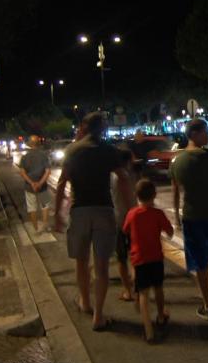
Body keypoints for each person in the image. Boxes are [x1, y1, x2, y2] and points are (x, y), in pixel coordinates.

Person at [54, 113, 133, 331]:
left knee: (81, 262)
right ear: (102, 129)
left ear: (83, 127)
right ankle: (98, 316)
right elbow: (124, 178)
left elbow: (61, 183)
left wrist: (57, 215)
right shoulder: (109, 150)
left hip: (79, 211)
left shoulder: (72, 150)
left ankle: (85, 303)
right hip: (104, 211)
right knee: (102, 266)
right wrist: (131, 210)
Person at [170, 119, 208, 321]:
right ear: (194, 134)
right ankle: (207, 301)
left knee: (200, 262)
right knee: (205, 259)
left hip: (191, 217)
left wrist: (176, 217)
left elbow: (175, 191)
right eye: (205, 132)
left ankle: (207, 304)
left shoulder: (178, 161)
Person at [122, 179, 173, 344]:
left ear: (136, 196)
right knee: (158, 288)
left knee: (143, 293)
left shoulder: (132, 214)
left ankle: (148, 331)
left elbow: (125, 230)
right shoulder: (158, 214)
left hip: (139, 259)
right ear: (154, 195)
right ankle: (161, 316)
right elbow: (170, 232)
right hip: (156, 257)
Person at [111, 149, 137, 302]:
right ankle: (134, 289)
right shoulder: (124, 176)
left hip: (117, 219)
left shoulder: (112, 176)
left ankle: (128, 291)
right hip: (127, 220)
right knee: (131, 255)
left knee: (122, 258)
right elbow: (128, 199)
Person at [18, 135, 52, 233]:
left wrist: (32, 183)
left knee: (31, 208)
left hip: (29, 187)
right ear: (39, 144)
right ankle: (44, 226)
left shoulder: (24, 157)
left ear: (29, 144)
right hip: (43, 186)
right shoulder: (44, 156)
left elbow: (22, 173)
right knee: (45, 205)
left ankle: (36, 228)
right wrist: (40, 183)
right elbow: (48, 171)